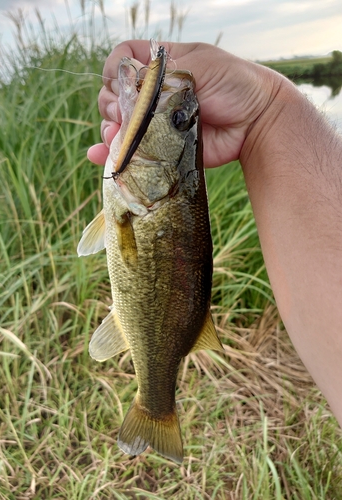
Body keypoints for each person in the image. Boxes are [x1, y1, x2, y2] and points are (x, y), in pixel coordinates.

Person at [88, 41, 342, 426]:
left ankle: (154, 408)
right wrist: (264, 110)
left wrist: (266, 110)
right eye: (180, 120)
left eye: (179, 122)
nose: (177, 113)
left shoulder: (134, 205)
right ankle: (156, 406)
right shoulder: (140, 202)